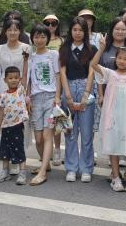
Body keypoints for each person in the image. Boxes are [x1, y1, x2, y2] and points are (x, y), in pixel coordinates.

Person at [91, 39, 126, 193]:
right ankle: (115, 177)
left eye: (125, 59)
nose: (122, 61)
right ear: (115, 59)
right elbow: (93, 64)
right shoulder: (110, 74)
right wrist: (101, 48)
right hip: (112, 118)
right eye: (119, 58)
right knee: (113, 146)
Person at [59, 16, 96, 183]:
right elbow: (62, 72)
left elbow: (92, 72)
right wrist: (67, 96)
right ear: (71, 31)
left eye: (81, 30)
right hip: (68, 89)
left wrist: (86, 94)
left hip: (86, 90)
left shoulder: (92, 49)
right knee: (69, 132)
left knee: (87, 134)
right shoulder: (64, 48)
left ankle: (86, 168)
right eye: (75, 30)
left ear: (85, 32)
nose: (78, 33)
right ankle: (71, 168)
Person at [27, 23, 61, 186]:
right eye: (37, 36)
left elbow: (58, 76)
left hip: (50, 98)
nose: (40, 40)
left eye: (43, 37)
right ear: (32, 38)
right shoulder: (30, 57)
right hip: (35, 99)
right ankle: (45, 163)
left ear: (47, 38)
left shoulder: (53, 54)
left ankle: (42, 172)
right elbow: (28, 79)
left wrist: (57, 97)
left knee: (48, 136)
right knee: (38, 138)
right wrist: (28, 98)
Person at [0, 66, 28, 185]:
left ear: (20, 79)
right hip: (6, 127)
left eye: (16, 78)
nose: (14, 80)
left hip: (17, 125)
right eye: (11, 78)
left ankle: (22, 173)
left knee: (19, 148)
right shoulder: (3, 96)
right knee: (4, 150)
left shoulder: (20, 91)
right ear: (5, 80)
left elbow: (25, 76)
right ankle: (5, 172)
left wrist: (25, 61)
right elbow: (1, 112)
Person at [42, 13, 64, 166]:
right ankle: (46, 151)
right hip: (42, 85)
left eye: (53, 23)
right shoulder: (39, 39)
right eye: (47, 23)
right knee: (45, 123)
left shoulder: (61, 41)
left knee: (56, 120)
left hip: (57, 83)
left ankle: (57, 149)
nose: (50, 26)